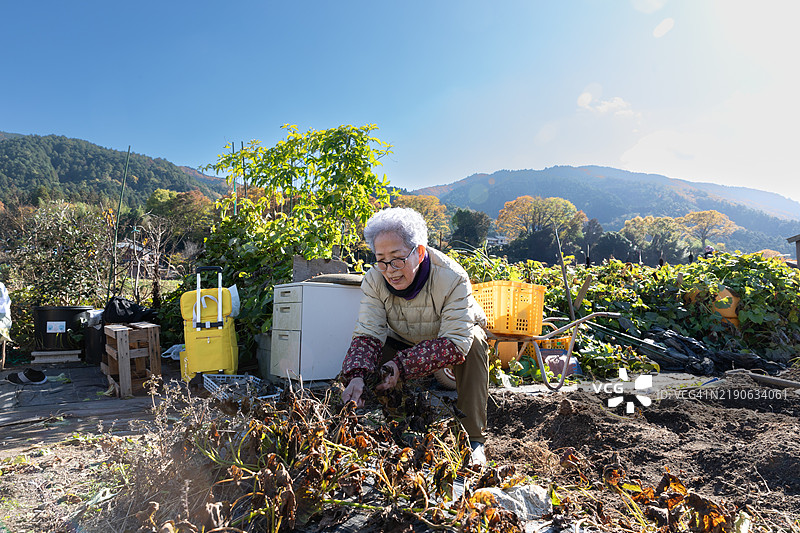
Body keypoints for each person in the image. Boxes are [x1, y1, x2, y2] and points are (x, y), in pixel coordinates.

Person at [340, 207, 490, 465]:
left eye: (397, 259)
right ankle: (389, 425)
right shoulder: (375, 280)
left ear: (419, 252)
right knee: (367, 364)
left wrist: (401, 365)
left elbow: (455, 342)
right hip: (403, 338)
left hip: (447, 339)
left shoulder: (452, 277)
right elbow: (368, 332)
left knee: (475, 341)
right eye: (381, 259)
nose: (390, 269)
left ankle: (473, 439)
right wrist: (356, 375)